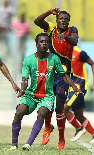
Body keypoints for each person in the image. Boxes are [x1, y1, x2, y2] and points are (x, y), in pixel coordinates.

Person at [9, 33, 83, 151]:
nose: (44, 44)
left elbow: (63, 76)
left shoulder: (54, 59)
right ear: (36, 44)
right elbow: (24, 79)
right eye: (41, 42)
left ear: (49, 44)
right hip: (31, 94)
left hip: (46, 96)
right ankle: (14, 145)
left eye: (46, 42)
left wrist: (74, 87)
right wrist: (23, 89)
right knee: (19, 112)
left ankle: (28, 144)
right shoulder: (29, 60)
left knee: (42, 113)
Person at [34, 8, 79, 149]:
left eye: (66, 19)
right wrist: (48, 12)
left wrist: (65, 37)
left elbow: (75, 42)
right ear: (57, 20)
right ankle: (47, 127)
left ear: (68, 22)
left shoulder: (72, 30)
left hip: (63, 74)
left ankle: (61, 139)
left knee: (60, 106)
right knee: (48, 104)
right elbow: (37, 21)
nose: (63, 21)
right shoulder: (51, 29)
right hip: (49, 72)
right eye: (61, 18)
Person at [64, 47, 94, 143]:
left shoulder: (80, 53)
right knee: (79, 114)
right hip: (70, 87)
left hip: (79, 87)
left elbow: (92, 64)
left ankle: (79, 129)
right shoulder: (62, 54)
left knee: (63, 109)